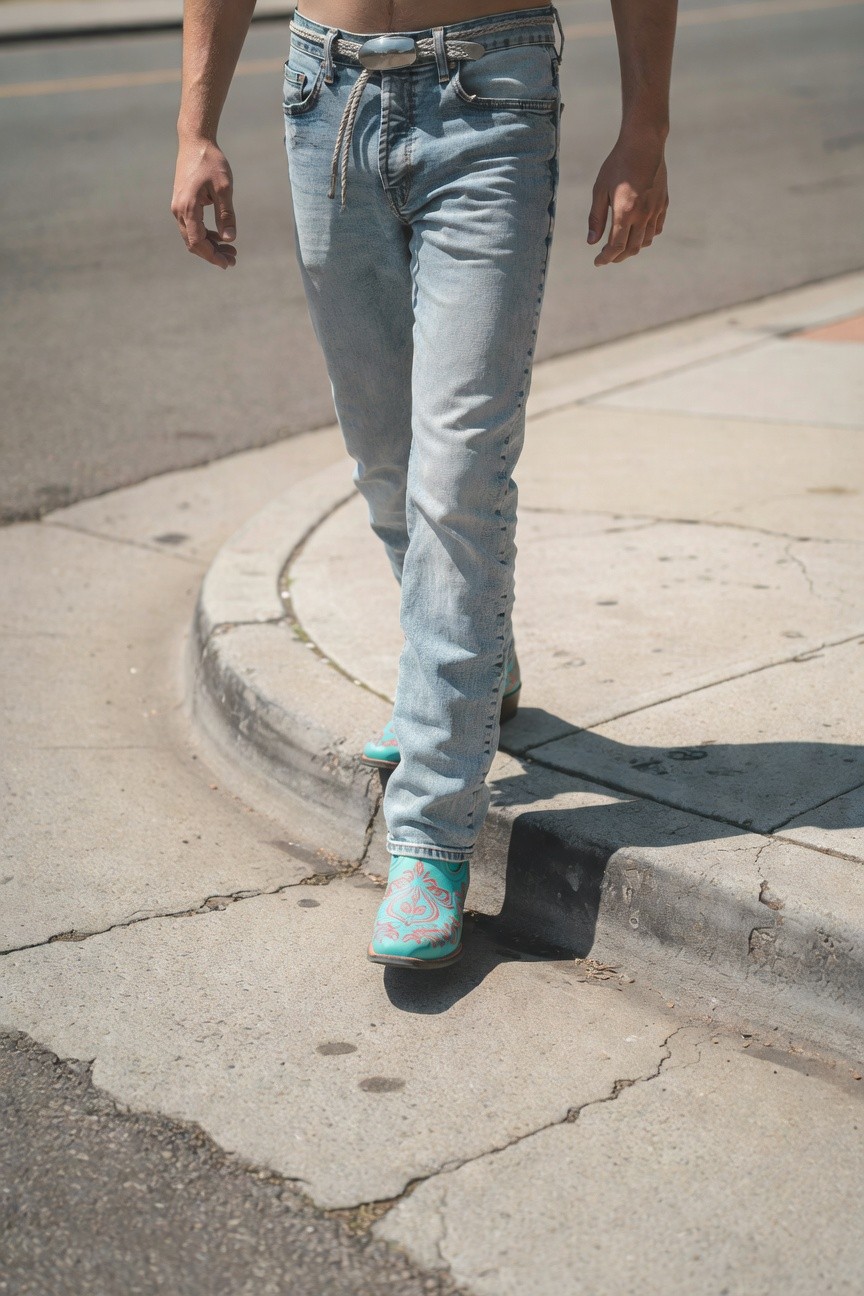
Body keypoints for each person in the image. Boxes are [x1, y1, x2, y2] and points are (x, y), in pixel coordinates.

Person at [172, 0, 675, 970]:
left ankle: (431, 834)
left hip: (492, 93)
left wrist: (645, 128)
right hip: (328, 97)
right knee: (389, 463)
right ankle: (481, 666)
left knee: (458, 477)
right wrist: (195, 126)